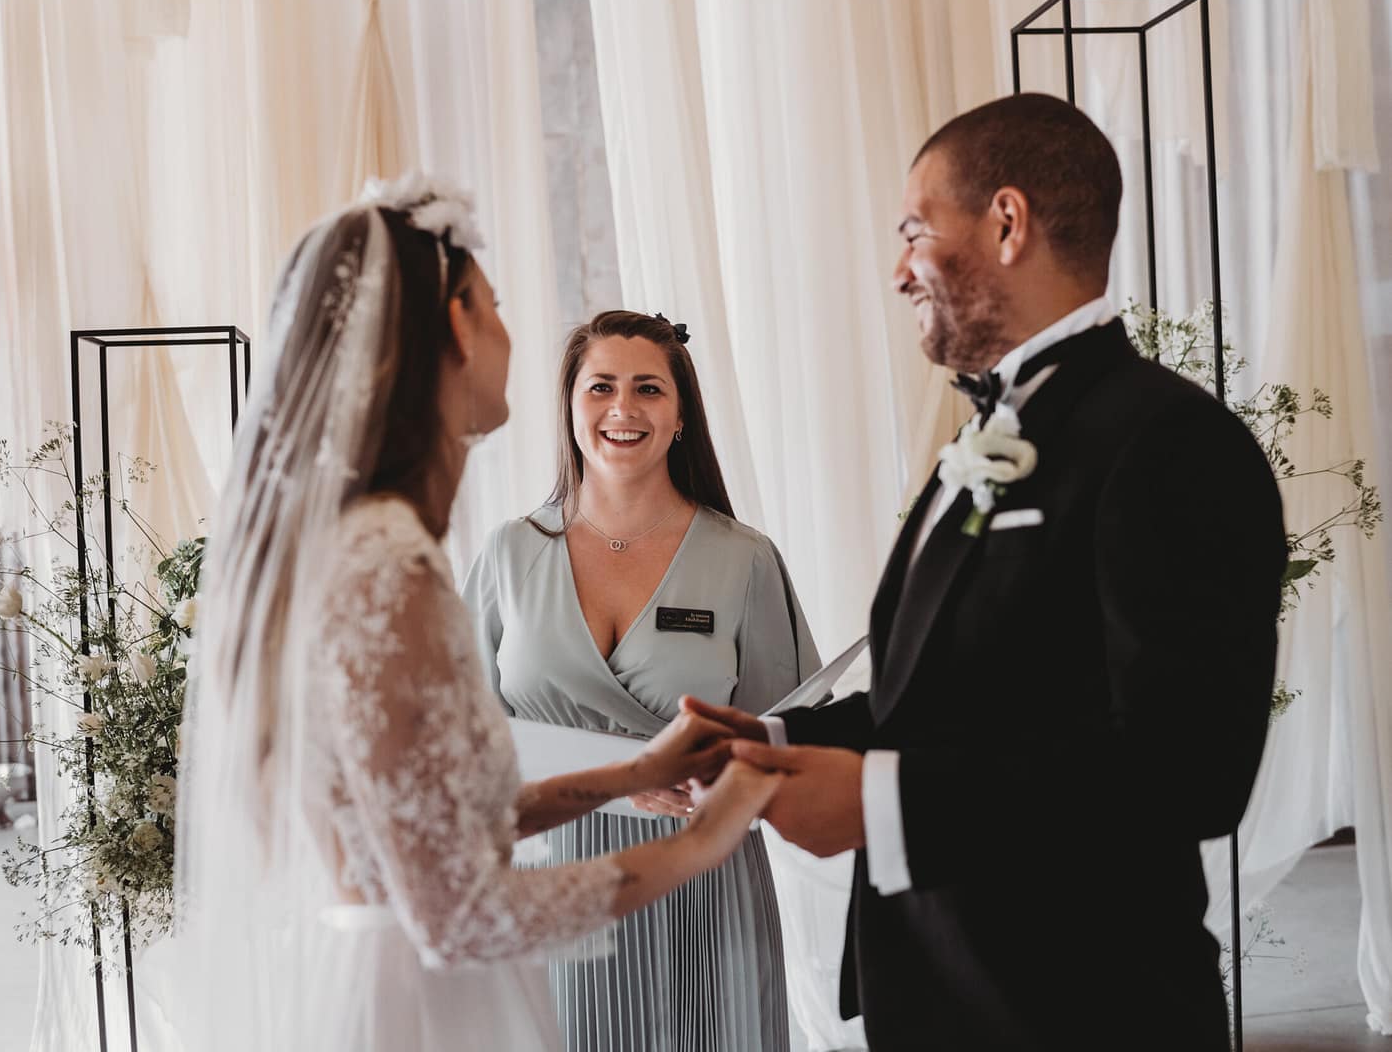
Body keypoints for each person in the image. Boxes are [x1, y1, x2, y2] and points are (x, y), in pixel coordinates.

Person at [686, 93, 1287, 1050]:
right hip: (938, 997)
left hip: (1082, 1009)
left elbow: (1189, 773)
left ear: (1006, 223)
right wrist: (769, 737)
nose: (896, 271)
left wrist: (881, 800)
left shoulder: (1169, 442)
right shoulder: (981, 438)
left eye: (914, 230)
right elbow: (952, 697)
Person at [173, 176, 781, 1051]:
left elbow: (433, 822)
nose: (505, 332)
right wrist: (706, 837)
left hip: (402, 972)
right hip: (421, 1006)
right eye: (492, 306)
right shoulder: (391, 563)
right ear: (457, 325)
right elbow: (459, 914)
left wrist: (628, 772)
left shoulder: (365, 541)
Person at [463, 310, 817, 1051]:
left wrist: (720, 780)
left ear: (680, 415)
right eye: (600, 388)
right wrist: (619, 779)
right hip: (550, 880)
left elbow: (786, 739)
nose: (622, 409)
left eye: (648, 389)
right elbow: (462, 743)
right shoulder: (506, 553)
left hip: (705, 878)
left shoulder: (744, 560)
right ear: (569, 406)